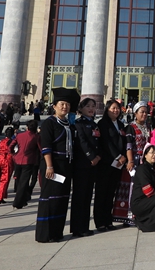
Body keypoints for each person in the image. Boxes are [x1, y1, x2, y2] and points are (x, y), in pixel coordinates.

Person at [34, 88, 78, 242]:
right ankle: (46, 234)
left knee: (61, 199)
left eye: (67, 104)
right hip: (52, 165)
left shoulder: (69, 124)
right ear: (54, 106)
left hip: (66, 166)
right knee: (50, 199)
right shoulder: (49, 123)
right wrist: (49, 166)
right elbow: (46, 146)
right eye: (61, 104)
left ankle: (57, 232)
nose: (64, 107)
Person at [114, 101, 151, 226]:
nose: (144, 114)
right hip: (134, 160)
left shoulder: (147, 126)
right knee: (131, 187)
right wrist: (130, 161)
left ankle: (141, 213)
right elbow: (128, 146)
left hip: (144, 161)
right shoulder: (131, 127)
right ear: (135, 113)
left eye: (146, 112)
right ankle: (128, 215)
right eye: (142, 112)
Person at [94, 99, 127, 232]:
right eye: (113, 108)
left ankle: (108, 220)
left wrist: (123, 156)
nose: (115, 110)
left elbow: (124, 141)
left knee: (111, 193)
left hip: (118, 164)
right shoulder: (102, 124)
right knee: (101, 193)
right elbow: (106, 143)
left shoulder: (120, 124)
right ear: (107, 110)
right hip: (107, 163)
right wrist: (118, 157)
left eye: (117, 108)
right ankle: (100, 222)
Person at [70, 98, 100, 237]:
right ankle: (77, 228)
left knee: (88, 196)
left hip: (93, 165)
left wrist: (98, 156)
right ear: (80, 108)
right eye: (88, 106)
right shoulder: (78, 124)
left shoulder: (94, 124)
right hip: (82, 164)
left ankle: (85, 226)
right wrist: (91, 157)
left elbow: (98, 142)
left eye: (93, 106)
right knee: (79, 196)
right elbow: (82, 142)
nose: (91, 109)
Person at [12, 120, 40, 209]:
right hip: (28, 161)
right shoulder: (36, 137)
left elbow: (10, 146)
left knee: (19, 181)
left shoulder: (19, 135)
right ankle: (18, 202)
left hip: (18, 159)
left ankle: (23, 200)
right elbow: (41, 148)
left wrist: (13, 154)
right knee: (24, 182)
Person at [0, 127, 16, 204]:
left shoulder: (0, 141)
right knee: (5, 179)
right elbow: (16, 151)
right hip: (8, 159)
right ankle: (0, 196)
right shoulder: (13, 142)